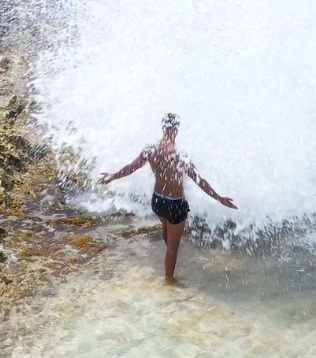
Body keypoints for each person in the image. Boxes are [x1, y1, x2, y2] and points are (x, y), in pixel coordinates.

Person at [98, 113, 236, 285]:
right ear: (176, 129)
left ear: (163, 128)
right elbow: (199, 180)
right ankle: (169, 280)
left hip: (157, 200)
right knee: (173, 248)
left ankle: (168, 261)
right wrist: (219, 198)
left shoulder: (150, 150)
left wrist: (113, 176)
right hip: (175, 203)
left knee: (166, 228)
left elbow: (132, 167)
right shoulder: (179, 155)